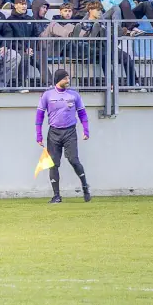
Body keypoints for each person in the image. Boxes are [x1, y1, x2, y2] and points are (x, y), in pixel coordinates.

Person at [35, 67, 91, 203]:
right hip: (54, 132)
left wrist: (86, 130)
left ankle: (85, 186)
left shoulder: (74, 95)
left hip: (70, 132)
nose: (68, 80)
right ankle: (56, 196)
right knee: (53, 164)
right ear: (59, 79)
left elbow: (82, 113)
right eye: (65, 78)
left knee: (73, 160)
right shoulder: (47, 95)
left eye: (68, 78)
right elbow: (39, 116)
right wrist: (39, 135)